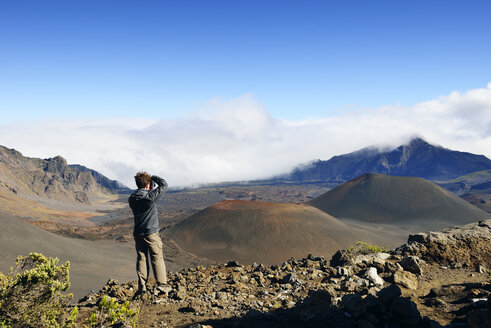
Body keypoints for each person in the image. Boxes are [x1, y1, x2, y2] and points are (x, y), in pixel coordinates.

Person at [128, 171, 168, 294]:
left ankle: (142, 287)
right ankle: (161, 285)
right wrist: (153, 178)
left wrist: (148, 182)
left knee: (142, 258)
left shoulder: (132, 198)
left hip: (138, 233)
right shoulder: (149, 198)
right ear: (147, 185)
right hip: (151, 233)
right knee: (156, 257)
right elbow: (164, 185)